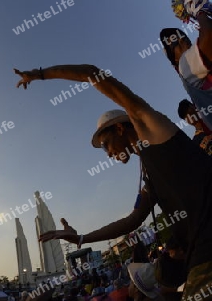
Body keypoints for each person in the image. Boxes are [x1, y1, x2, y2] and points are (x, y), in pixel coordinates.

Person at [14, 63, 212, 300]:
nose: (107, 153)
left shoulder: (152, 129)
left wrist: (40, 74)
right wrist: (80, 239)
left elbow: (92, 73)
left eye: (106, 144)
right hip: (193, 250)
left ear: (119, 128)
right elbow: (131, 221)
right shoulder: (149, 174)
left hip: (207, 248)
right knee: (146, 291)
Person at [160, 0, 212, 131]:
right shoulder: (185, 66)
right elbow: (209, 35)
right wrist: (199, 10)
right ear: (175, 59)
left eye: (182, 36)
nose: (182, 39)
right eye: (175, 43)